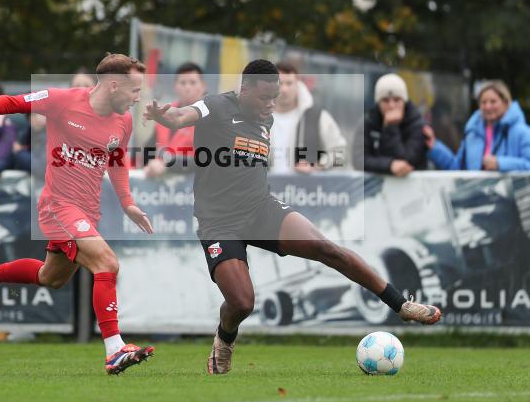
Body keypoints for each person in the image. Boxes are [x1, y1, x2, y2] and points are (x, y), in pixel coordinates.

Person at [144, 59, 441, 375]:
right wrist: (168, 118)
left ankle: (401, 305)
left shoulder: (265, 118)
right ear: (244, 90)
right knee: (243, 303)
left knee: (328, 249)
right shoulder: (216, 105)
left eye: (274, 97)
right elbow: (182, 115)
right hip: (219, 221)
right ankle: (224, 338)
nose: (270, 104)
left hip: (261, 209)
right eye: (263, 97)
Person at [0, 54, 157, 375]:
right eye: (134, 90)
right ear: (114, 85)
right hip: (58, 205)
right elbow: (15, 102)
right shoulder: (63, 100)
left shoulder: (123, 121)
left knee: (52, 277)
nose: (138, 97)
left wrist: (127, 202)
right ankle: (114, 349)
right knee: (108, 263)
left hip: (87, 209)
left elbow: (117, 161)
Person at [424, 80, 530, 171]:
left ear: (506, 103)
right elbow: (457, 169)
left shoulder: (525, 133)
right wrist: (434, 147)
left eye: (493, 102)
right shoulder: (472, 133)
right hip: (477, 202)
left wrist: (500, 164)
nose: (488, 106)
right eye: (483, 102)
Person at [269, 62, 347, 174]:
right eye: (279, 84)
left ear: (298, 84)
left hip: (304, 190)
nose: (284, 89)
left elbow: (340, 153)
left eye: (289, 83)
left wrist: (316, 166)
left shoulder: (317, 116)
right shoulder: (256, 118)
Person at [353, 73, 427, 176]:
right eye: (385, 100)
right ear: (378, 103)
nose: (391, 105)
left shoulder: (416, 123)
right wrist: (389, 165)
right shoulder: (368, 122)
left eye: (397, 99)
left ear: (404, 101)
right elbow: (359, 160)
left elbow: (408, 162)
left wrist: (391, 127)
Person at [144, 62, 206, 178]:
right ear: (175, 86)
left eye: (192, 82)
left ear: (203, 86)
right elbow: (148, 150)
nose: (187, 87)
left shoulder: (209, 118)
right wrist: (151, 164)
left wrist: (167, 164)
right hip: (161, 189)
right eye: (183, 83)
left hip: (192, 189)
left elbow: (205, 160)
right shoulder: (165, 112)